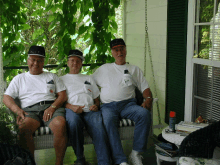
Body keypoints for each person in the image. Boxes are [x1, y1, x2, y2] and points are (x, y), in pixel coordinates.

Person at [3, 46, 68, 165]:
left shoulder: (52, 76)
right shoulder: (19, 78)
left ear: (44, 62)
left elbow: (62, 95)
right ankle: (30, 162)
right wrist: (17, 110)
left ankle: (59, 163)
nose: (35, 63)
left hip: (51, 107)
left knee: (60, 124)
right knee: (23, 128)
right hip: (30, 111)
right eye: (33, 59)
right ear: (27, 60)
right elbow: (6, 97)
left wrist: (53, 107)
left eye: (39, 60)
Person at [92, 38, 153, 165]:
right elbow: (90, 86)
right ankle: (120, 160)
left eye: (121, 49)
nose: (119, 52)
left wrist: (148, 99)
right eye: (116, 50)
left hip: (128, 105)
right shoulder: (104, 69)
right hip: (108, 106)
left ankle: (136, 153)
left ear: (125, 50)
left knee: (144, 114)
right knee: (108, 120)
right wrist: (95, 101)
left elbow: (145, 88)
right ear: (112, 52)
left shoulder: (134, 69)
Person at [60, 49, 111, 165]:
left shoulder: (88, 78)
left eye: (78, 61)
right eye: (72, 60)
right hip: (72, 110)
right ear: (67, 63)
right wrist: (71, 107)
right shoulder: (61, 79)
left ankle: (104, 162)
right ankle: (80, 158)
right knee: (73, 122)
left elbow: (97, 99)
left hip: (90, 110)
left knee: (99, 126)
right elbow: (58, 100)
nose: (75, 63)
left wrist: (96, 106)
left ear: (81, 64)